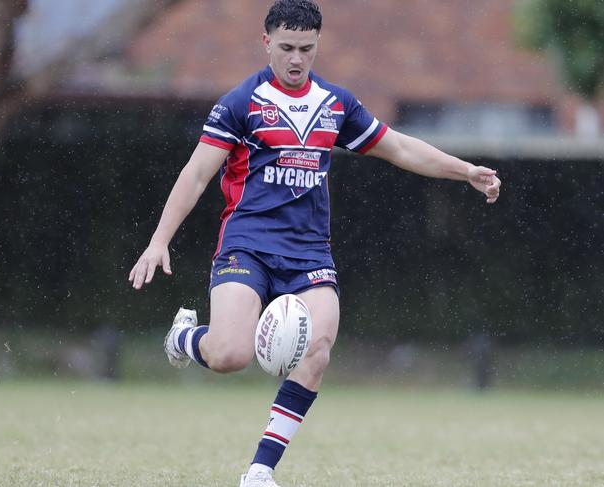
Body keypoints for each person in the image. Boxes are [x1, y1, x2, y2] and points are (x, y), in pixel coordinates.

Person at [128, 1, 501, 485]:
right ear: (267, 44)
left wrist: (465, 170)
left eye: (305, 48)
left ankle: (260, 471)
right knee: (229, 355)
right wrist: (160, 241)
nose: (296, 58)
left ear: (318, 44)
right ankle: (183, 337)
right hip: (247, 245)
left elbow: (400, 147)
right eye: (286, 47)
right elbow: (197, 173)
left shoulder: (336, 104)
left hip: (309, 254)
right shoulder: (241, 103)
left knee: (318, 347)